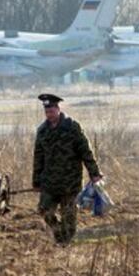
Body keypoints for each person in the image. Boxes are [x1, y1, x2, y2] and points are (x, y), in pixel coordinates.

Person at [32, 93, 103, 245]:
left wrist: (94, 173)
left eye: (51, 111)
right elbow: (38, 157)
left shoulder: (72, 127)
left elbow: (86, 151)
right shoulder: (43, 131)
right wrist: (36, 181)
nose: (49, 115)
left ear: (58, 109)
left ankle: (65, 244)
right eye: (46, 112)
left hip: (70, 182)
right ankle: (59, 235)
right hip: (49, 181)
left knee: (69, 216)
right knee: (44, 210)